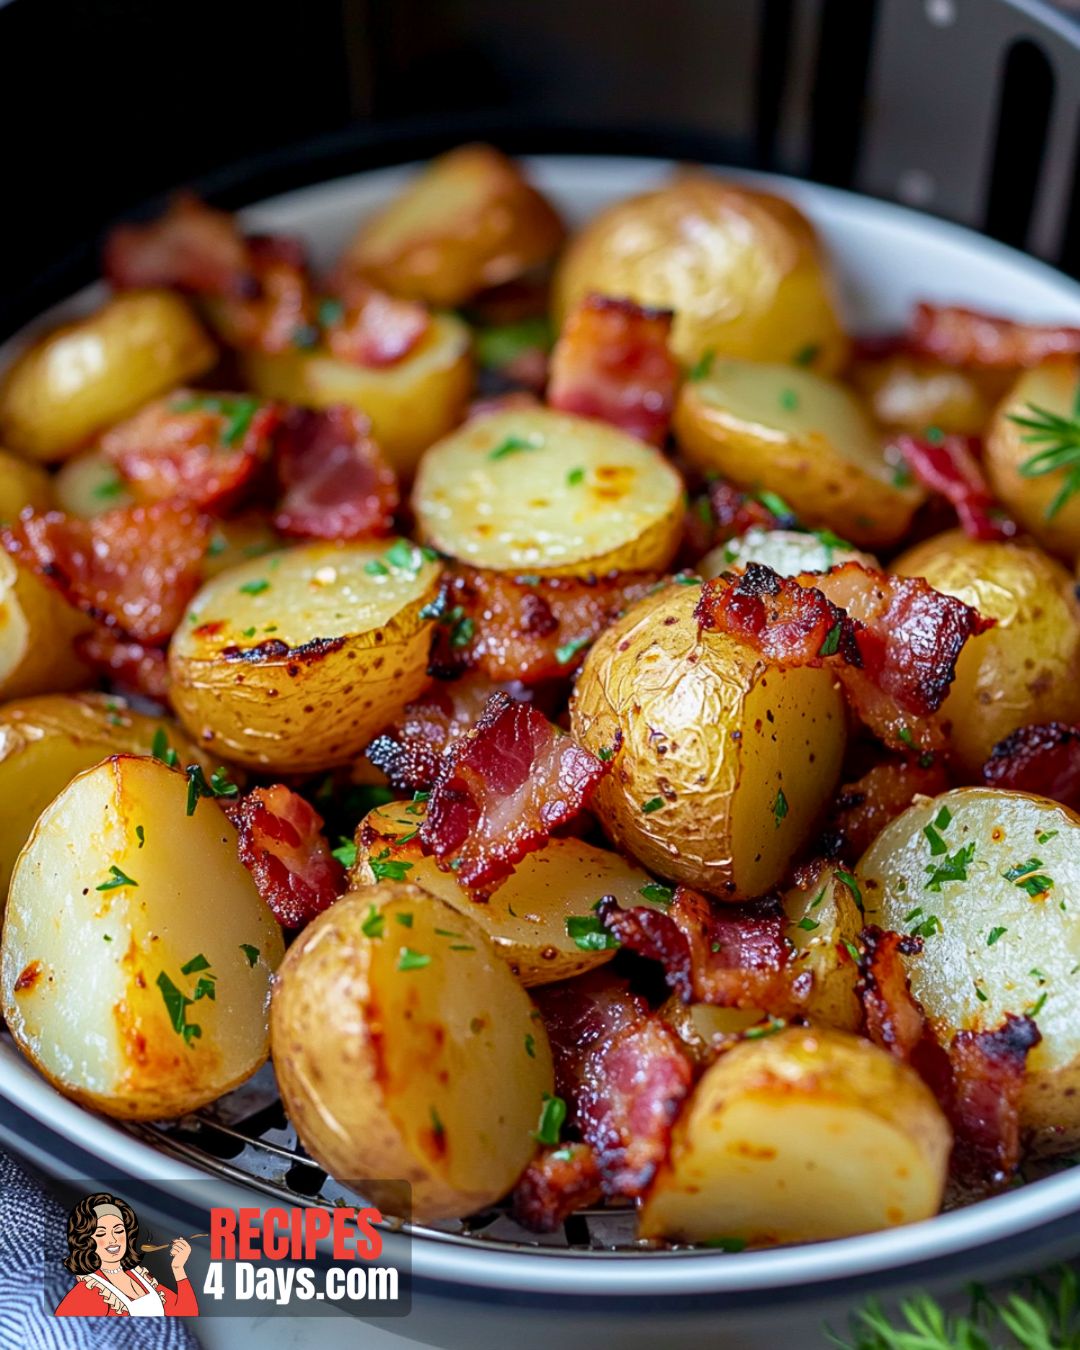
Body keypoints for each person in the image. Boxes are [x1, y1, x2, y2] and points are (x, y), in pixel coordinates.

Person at [53, 1192, 198, 1317]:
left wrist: (178, 1269)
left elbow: (186, 1312)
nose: (113, 1239)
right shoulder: (88, 1292)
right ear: (86, 1241)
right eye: (101, 1233)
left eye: (118, 1231)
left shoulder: (140, 1276)